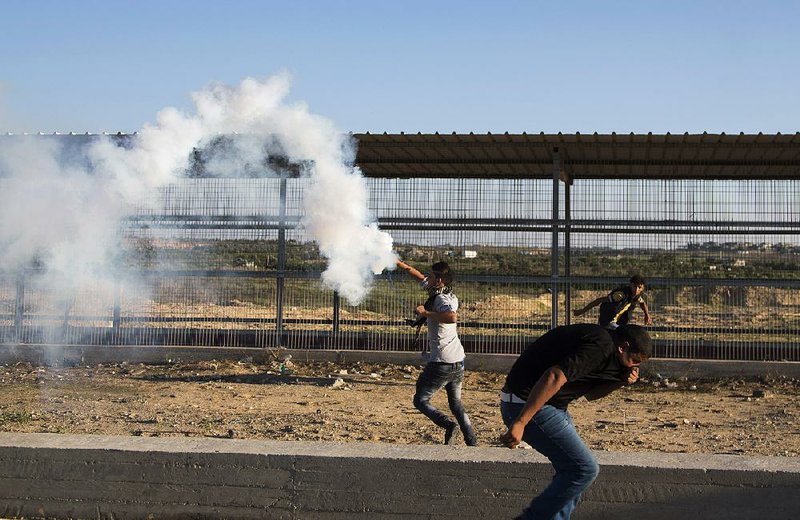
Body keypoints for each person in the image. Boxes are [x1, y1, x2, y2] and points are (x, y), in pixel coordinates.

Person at [499, 323, 652, 520]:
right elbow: (554, 376)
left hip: (551, 407)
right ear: (623, 346)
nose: (633, 366)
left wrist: (620, 381)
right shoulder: (600, 346)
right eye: (633, 360)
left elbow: (592, 394)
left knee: (572, 473)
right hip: (526, 405)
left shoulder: (611, 352)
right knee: (583, 470)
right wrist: (520, 423)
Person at [395, 259, 479, 446]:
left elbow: (451, 317)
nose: (428, 278)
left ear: (439, 280)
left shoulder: (441, 299)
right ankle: (472, 441)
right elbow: (416, 274)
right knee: (456, 404)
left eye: (431, 276)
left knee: (420, 400)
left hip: (442, 362)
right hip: (457, 360)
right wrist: (399, 263)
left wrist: (425, 313)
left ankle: (449, 425)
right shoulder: (443, 293)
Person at [573, 274, 652, 329]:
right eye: (635, 286)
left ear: (642, 289)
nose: (636, 289)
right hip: (608, 322)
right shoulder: (621, 295)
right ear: (631, 285)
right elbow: (599, 300)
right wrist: (582, 311)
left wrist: (647, 315)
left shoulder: (636, 297)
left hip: (619, 323)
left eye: (639, 287)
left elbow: (642, 303)